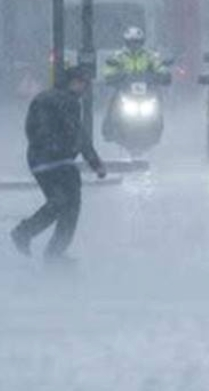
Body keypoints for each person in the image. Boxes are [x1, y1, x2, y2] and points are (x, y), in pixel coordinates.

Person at [11, 66, 107, 262]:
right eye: (82, 83)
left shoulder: (44, 97)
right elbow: (78, 134)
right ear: (73, 82)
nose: (84, 88)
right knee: (69, 206)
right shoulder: (69, 102)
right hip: (60, 161)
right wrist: (95, 163)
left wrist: (41, 148)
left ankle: (28, 235)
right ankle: (48, 249)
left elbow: (31, 129)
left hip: (39, 161)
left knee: (59, 202)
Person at [102, 26, 170, 141]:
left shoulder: (150, 55)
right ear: (126, 42)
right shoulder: (118, 56)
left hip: (147, 90)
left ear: (142, 42)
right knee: (113, 100)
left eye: (137, 42)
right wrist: (113, 76)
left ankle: (157, 127)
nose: (134, 45)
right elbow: (109, 69)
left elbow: (159, 66)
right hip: (125, 89)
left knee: (157, 101)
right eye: (131, 42)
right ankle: (108, 129)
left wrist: (163, 75)